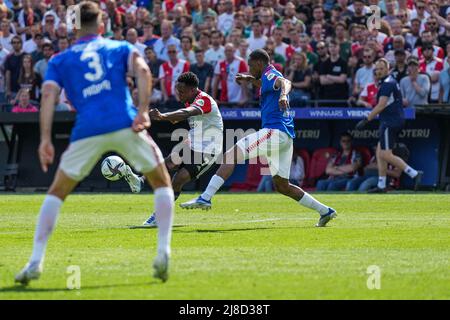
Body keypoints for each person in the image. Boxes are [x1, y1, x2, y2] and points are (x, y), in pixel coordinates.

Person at [15, 1, 174, 285]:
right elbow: (144, 72)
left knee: (56, 193)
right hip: (125, 123)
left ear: (75, 28)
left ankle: (35, 261)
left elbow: (49, 97)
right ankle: (163, 253)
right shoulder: (119, 48)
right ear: (102, 26)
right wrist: (142, 111)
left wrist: (45, 139)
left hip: (86, 130)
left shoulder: (60, 60)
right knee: (162, 183)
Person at [181, 49, 337, 228]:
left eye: (250, 64)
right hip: (284, 137)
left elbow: (285, 82)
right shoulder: (265, 78)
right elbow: (267, 85)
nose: (249, 67)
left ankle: (206, 197)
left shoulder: (271, 74)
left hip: (274, 132)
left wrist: (284, 94)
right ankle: (325, 211)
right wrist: (250, 80)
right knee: (282, 186)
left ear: (258, 63)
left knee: (231, 155)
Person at [118, 72, 223, 227]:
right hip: (193, 144)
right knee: (167, 163)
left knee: (178, 179)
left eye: (181, 91)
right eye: (177, 90)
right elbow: (177, 118)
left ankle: (159, 216)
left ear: (193, 90)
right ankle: (139, 181)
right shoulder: (190, 100)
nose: (178, 94)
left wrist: (162, 116)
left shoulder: (204, 100)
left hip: (209, 151)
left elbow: (186, 113)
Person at [356, 58, 423, 192]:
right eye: (377, 69)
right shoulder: (388, 82)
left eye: (381, 68)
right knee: (380, 153)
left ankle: (414, 173)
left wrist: (366, 119)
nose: (378, 71)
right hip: (391, 120)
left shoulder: (387, 83)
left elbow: (381, 105)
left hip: (390, 122)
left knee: (386, 154)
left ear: (388, 69)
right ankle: (381, 185)